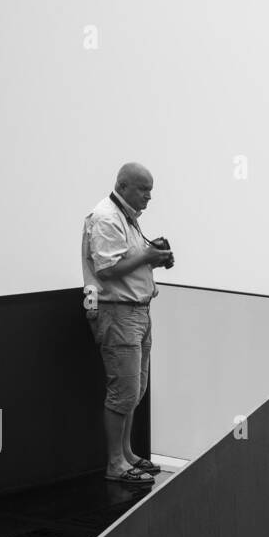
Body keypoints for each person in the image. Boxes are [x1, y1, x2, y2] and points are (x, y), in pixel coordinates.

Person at [81, 163, 173, 484]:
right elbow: (107, 269)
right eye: (143, 189)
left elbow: (126, 262)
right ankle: (115, 463)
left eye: (150, 190)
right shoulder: (106, 217)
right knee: (123, 390)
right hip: (117, 312)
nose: (149, 197)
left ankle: (127, 453)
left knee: (135, 388)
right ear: (123, 185)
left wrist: (153, 256)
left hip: (137, 311)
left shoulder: (127, 217)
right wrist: (149, 256)